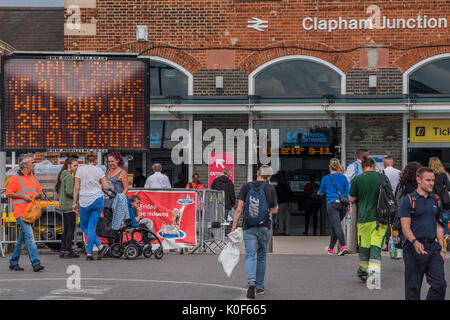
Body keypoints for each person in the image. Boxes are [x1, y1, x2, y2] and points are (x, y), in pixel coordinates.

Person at [398, 167, 447, 300]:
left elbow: (439, 226)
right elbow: (405, 227)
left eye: (432, 180)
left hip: (433, 248)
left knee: (440, 285)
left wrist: (442, 249)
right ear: (418, 180)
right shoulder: (408, 201)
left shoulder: (436, 200)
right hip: (413, 248)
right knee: (413, 289)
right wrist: (414, 242)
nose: (431, 183)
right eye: (428, 180)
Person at [231, 165, 278, 299]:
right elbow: (275, 210)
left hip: (249, 227)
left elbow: (239, 209)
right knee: (262, 256)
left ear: (257, 172)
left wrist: (234, 226)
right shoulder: (270, 188)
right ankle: (260, 287)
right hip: (264, 227)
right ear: (269, 176)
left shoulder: (246, 187)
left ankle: (251, 281)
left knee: (250, 255)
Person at [349, 157, 392, 289]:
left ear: (362, 167)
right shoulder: (383, 178)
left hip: (364, 218)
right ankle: (373, 279)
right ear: (373, 165)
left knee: (364, 246)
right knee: (376, 246)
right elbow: (390, 194)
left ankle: (363, 270)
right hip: (381, 218)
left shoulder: (357, 179)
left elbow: (351, 198)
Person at [6, 153, 45, 272]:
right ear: (25, 166)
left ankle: (13, 262)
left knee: (22, 238)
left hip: (31, 213)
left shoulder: (34, 177)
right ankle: (36, 263)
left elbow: (41, 193)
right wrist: (23, 196)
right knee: (30, 237)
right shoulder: (15, 178)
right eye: (32, 162)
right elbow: (8, 193)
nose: (35, 164)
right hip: (21, 213)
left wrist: (38, 195)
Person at [73, 151, 110, 261]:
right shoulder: (99, 170)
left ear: (86, 159)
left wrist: (74, 202)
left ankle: (94, 251)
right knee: (92, 227)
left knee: (85, 227)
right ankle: (96, 249)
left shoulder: (80, 170)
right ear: (95, 160)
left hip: (84, 200)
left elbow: (76, 187)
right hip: (97, 199)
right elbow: (106, 186)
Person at [318, 158, 351, 255]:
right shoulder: (344, 178)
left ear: (330, 167)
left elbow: (321, 192)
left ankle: (344, 246)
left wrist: (319, 192)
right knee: (335, 226)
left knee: (337, 225)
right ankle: (331, 249)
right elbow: (347, 193)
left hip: (332, 204)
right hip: (343, 205)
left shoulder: (326, 178)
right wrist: (349, 207)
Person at [55, 158, 79, 259]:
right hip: (69, 205)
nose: (76, 167)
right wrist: (77, 195)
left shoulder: (63, 175)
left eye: (77, 165)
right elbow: (69, 191)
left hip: (64, 205)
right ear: (69, 165)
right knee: (70, 229)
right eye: (75, 165)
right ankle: (68, 250)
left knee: (66, 229)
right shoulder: (69, 176)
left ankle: (63, 250)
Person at [103, 152, 129, 248]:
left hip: (116, 204)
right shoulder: (107, 171)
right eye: (109, 161)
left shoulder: (122, 172)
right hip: (106, 203)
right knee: (108, 226)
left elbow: (126, 188)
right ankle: (111, 248)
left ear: (118, 160)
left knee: (116, 226)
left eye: (112, 161)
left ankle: (117, 247)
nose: (110, 163)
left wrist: (119, 199)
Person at [428, 157, 450, 241]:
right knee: (444, 219)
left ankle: (435, 237)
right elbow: (448, 187)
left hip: (432, 199)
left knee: (432, 219)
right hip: (444, 201)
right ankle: (446, 235)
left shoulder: (429, 175)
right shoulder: (444, 175)